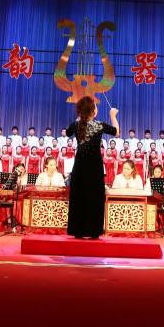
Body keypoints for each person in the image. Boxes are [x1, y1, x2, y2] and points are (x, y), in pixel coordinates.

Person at [66, 96, 119, 239]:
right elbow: (116, 132)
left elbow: (68, 132)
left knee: (79, 196)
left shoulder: (76, 124)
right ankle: (94, 230)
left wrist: (79, 117)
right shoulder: (99, 125)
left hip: (79, 166)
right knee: (94, 197)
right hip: (94, 167)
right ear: (93, 111)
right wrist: (113, 116)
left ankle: (78, 230)